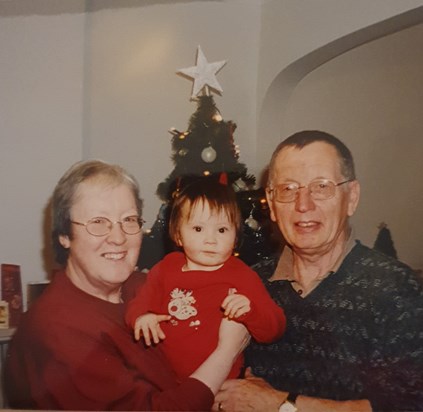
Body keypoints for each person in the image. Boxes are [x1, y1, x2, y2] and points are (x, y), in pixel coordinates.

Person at [5, 160, 250, 411]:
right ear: (65, 235)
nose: (119, 237)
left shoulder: (143, 285)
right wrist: (226, 352)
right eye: (98, 222)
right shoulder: (57, 331)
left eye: (129, 220)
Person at [214, 130, 423, 412]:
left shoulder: (397, 289)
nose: (303, 205)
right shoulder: (249, 284)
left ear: (352, 197)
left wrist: (281, 406)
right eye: (288, 189)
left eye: (322, 187)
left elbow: (411, 405)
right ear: (272, 205)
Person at [125, 177, 286, 380]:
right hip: (162, 379)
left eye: (221, 230)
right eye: (198, 229)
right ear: (178, 235)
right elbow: (140, 301)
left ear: (235, 237)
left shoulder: (242, 275)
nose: (211, 239)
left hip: (218, 385)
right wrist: (141, 317)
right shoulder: (167, 268)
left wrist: (251, 310)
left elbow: (275, 327)